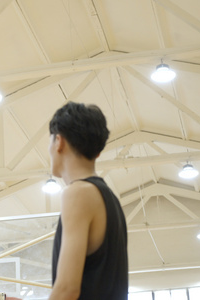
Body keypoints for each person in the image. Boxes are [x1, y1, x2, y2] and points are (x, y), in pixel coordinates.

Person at [7, 102, 128, 300]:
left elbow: (67, 290)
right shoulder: (110, 200)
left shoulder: (79, 193)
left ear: (59, 142)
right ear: (97, 151)